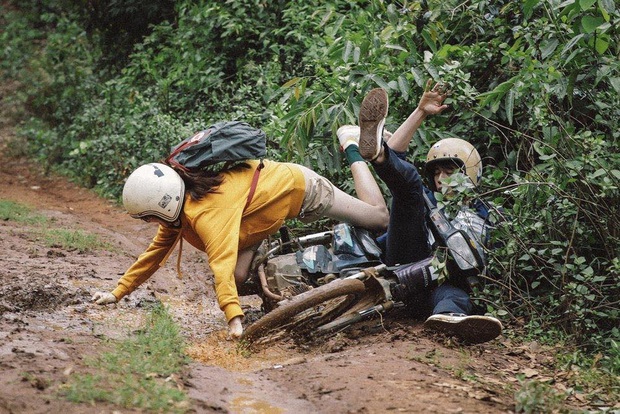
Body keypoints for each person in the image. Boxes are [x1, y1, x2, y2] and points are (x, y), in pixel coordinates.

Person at [92, 141, 389, 339]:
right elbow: (154, 254)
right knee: (237, 276)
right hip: (254, 219)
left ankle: (350, 144)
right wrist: (118, 292)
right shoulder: (181, 211)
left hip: (299, 188)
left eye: (149, 217)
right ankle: (276, 294)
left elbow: (218, 263)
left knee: (378, 219)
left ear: (163, 205)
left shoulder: (208, 212)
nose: (151, 225)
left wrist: (235, 319)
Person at [337, 81, 502, 343]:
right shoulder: (426, 200)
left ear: (470, 173)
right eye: (436, 172)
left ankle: (450, 321)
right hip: (405, 261)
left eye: (449, 172)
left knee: (455, 297)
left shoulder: (487, 212)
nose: (439, 179)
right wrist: (421, 112)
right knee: (409, 186)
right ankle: (378, 154)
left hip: (432, 292)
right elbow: (399, 162)